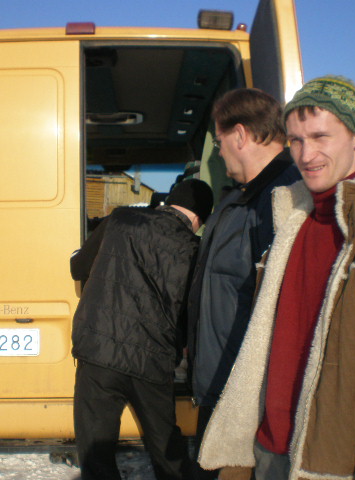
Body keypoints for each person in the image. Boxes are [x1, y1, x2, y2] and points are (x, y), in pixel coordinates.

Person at [197, 75, 355, 479]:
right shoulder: (289, 222)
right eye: (296, 140)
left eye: (320, 137)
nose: (306, 153)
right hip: (265, 450)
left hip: (330, 466)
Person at [186, 88, 300, 478]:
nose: (218, 153)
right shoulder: (240, 198)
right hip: (220, 384)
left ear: (239, 135)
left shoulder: (285, 197)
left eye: (219, 142)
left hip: (248, 399)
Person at [71, 178, 214, 480]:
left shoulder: (121, 219)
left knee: (96, 453)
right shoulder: (194, 249)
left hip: (99, 351)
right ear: (199, 218)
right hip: (152, 360)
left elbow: (78, 267)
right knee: (166, 449)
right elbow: (190, 312)